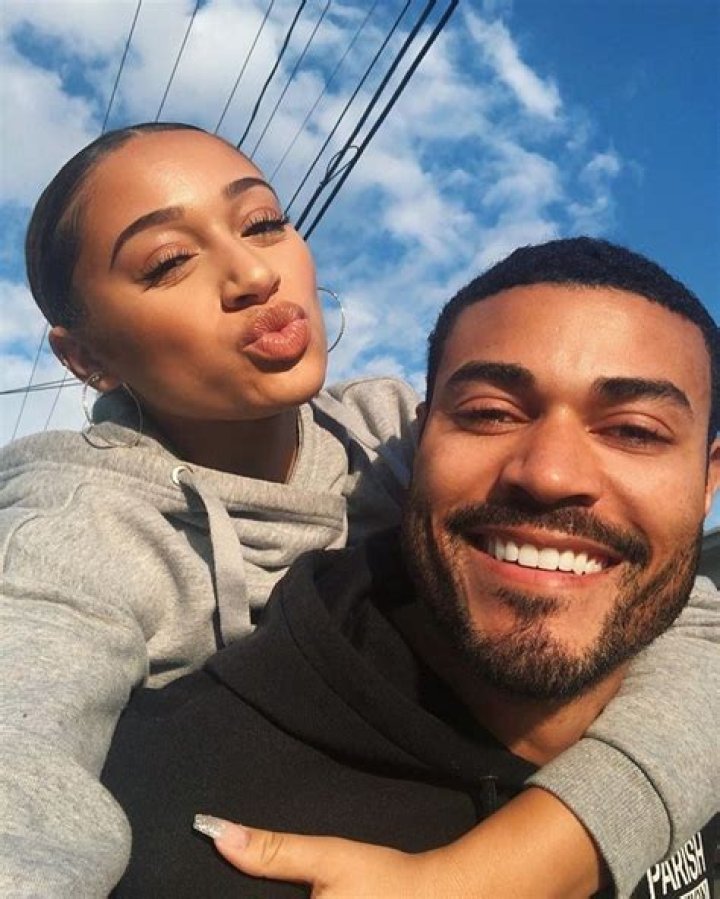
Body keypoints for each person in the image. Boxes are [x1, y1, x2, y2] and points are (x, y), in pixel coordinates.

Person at [0, 118, 713, 896]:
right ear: (85, 356)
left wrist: (514, 866)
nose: (253, 273)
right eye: (169, 261)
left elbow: (687, 619)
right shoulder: (66, 532)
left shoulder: (387, 430)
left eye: (262, 222)